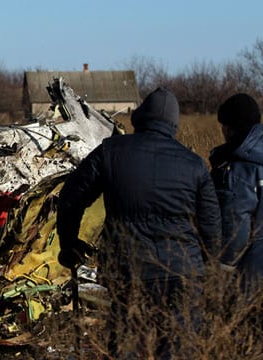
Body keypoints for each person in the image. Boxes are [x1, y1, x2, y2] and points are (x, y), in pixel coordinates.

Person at [56, 87, 221, 359]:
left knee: (127, 343)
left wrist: (69, 245)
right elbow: (212, 225)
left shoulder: (110, 152)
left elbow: (71, 198)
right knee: (178, 346)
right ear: (174, 125)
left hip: (128, 269)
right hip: (182, 271)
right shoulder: (194, 164)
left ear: (140, 117)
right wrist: (205, 263)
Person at [209, 93, 263, 294]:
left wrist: (223, 268)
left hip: (252, 275)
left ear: (229, 128)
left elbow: (236, 227)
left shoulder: (238, 169)